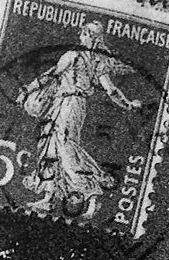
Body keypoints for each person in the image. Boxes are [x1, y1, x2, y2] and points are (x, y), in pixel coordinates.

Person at [16, 20, 143, 219]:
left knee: (65, 147)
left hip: (69, 105)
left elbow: (51, 75)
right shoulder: (97, 62)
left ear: (90, 37)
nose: (81, 35)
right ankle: (49, 199)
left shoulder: (74, 56)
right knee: (51, 147)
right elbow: (112, 91)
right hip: (67, 105)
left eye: (85, 32)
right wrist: (128, 104)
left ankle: (90, 189)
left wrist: (27, 90)